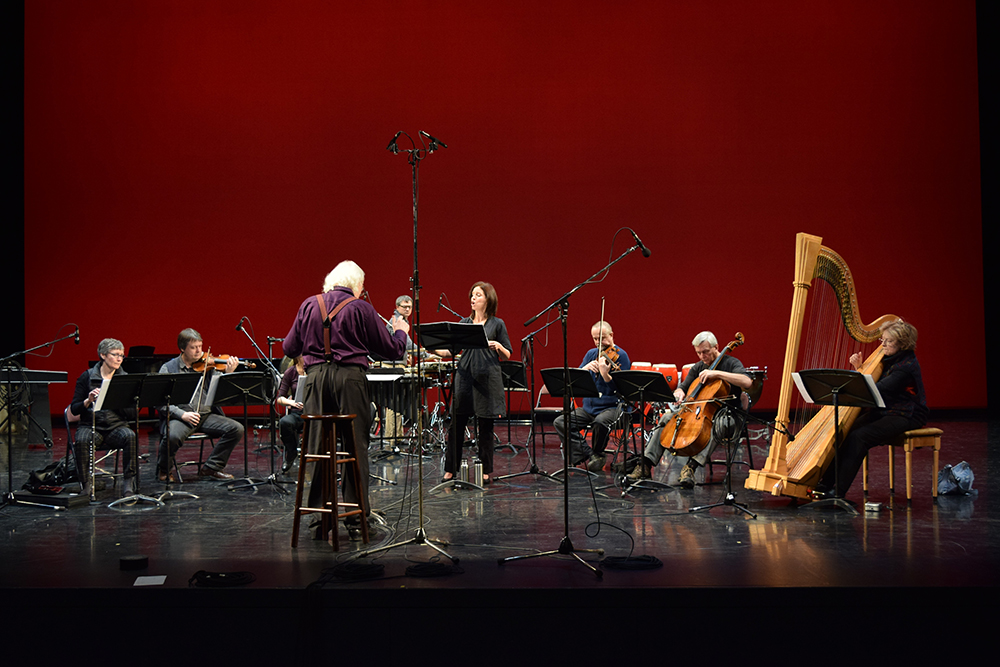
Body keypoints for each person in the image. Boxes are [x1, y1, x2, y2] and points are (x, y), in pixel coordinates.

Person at [283, 260, 409, 540]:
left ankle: (320, 519)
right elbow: (392, 350)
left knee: (318, 446)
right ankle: (356, 520)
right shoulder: (361, 308)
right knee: (355, 447)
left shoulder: (309, 304)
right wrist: (401, 331)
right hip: (350, 380)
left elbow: (289, 347)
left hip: (315, 380)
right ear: (356, 285)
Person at [812, 320, 928, 499]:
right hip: (886, 410)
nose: (883, 344)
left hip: (906, 414)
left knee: (860, 437)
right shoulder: (889, 358)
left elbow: (875, 390)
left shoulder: (905, 367)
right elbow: (873, 386)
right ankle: (825, 483)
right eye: (883, 339)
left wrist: (856, 376)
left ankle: (838, 492)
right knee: (845, 431)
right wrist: (860, 369)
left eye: (889, 341)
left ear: (903, 344)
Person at [628, 331, 752, 488]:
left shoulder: (731, 363)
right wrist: (679, 393)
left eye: (705, 352)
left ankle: (690, 468)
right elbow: (682, 387)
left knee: (718, 424)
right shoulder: (698, 368)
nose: (702, 356)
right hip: (699, 413)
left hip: (729, 416)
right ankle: (645, 465)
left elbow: (747, 382)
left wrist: (717, 373)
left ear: (716, 347)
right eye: (698, 352)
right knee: (666, 419)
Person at [440, 281, 512, 485]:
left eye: (478, 295)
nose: (473, 298)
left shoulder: (497, 324)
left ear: (488, 299)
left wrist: (497, 346)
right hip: (465, 377)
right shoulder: (464, 323)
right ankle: (450, 469)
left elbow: (507, 354)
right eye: (472, 295)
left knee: (485, 426)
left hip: (487, 378)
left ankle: (486, 470)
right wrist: (432, 348)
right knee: (456, 425)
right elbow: (451, 350)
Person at [157, 328, 245, 482]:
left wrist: (228, 373)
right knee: (172, 436)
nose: (199, 351)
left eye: (200, 346)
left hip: (205, 415)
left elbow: (220, 392)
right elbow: (159, 402)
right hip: (181, 416)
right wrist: (182, 414)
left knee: (236, 429)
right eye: (193, 347)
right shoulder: (168, 368)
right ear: (182, 349)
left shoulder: (208, 366)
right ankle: (164, 470)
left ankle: (212, 467)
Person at [554, 321, 632, 472]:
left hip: (614, 408)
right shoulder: (591, 354)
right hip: (590, 408)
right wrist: (585, 369)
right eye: (595, 339)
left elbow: (623, 391)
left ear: (611, 335)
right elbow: (576, 380)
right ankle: (590, 454)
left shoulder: (621, 356)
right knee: (561, 422)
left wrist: (606, 375)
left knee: (600, 422)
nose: (598, 342)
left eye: (602, 338)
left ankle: (598, 452)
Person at [69, 338, 138, 497]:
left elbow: (132, 414)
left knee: (130, 436)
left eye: (121, 355)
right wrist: (88, 400)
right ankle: (86, 485)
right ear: (103, 355)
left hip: (116, 427)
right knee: (82, 440)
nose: (119, 359)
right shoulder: (87, 377)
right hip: (91, 425)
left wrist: (119, 399)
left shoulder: (125, 378)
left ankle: (129, 483)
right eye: (115, 355)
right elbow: (74, 408)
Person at [276, 356, 306, 473]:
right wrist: (292, 402)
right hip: (298, 413)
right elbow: (280, 398)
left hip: (314, 412)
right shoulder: (291, 372)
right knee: (285, 422)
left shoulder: (315, 370)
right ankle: (291, 452)